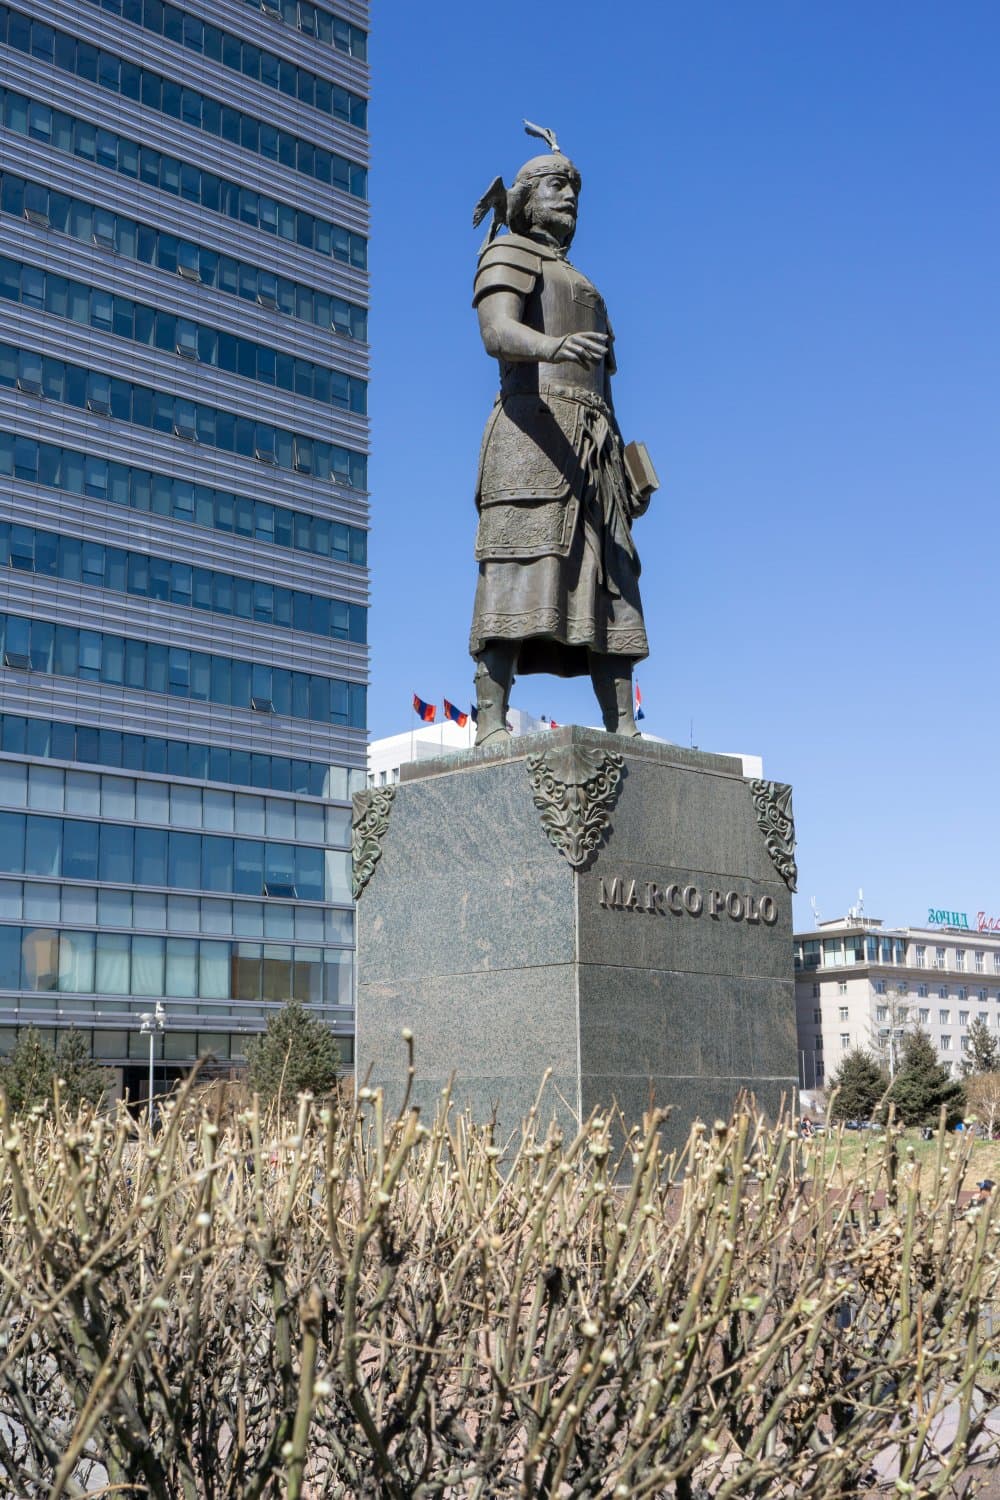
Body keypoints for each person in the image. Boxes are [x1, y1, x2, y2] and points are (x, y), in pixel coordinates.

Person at [469, 124, 656, 746]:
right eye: (555, 183)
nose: (569, 194)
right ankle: (491, 723)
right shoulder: (507, 253)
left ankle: (623, 726)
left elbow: (603, 383)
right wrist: (550, 345)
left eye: (575, 185)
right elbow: (496, 332)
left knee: (611, 585)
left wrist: (628, 475)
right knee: (517, 566)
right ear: (523, 197)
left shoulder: (586, 285)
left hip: (594, 448)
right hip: (531, 433)